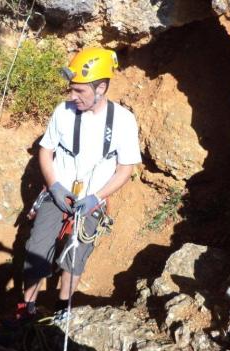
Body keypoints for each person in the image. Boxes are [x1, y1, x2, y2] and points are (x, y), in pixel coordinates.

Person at [11, 48, 142, 324]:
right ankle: (27, 308)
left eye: (80, 91)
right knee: (37, 247)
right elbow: (45, 152)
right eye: (72, 90)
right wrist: (55, 187)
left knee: (75, 256)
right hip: (59, 193)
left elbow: (125, 169)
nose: (73, 96)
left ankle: (63, 310)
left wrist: (96, 198)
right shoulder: (63, 112)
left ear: (101, 87)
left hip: (92, 199)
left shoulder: (123, 121)